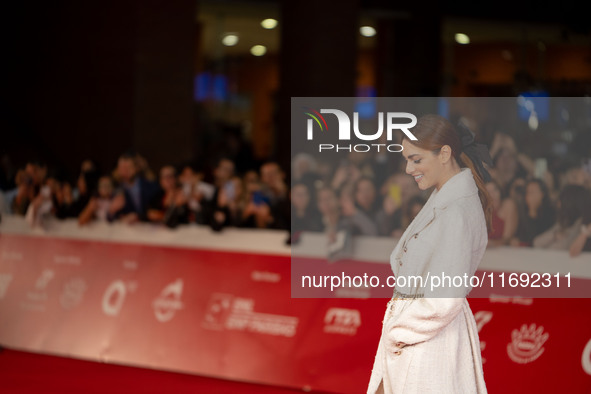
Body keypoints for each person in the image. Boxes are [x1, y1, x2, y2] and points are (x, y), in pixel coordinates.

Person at [367, 114, 491, 394]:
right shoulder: (446, 198)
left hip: (425, 339)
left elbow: (444, 300)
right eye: (407, 160)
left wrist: (399, 331)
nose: (409, 169)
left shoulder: (456, 211)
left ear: (444, 153)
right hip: (422, 337)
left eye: (416, 159)